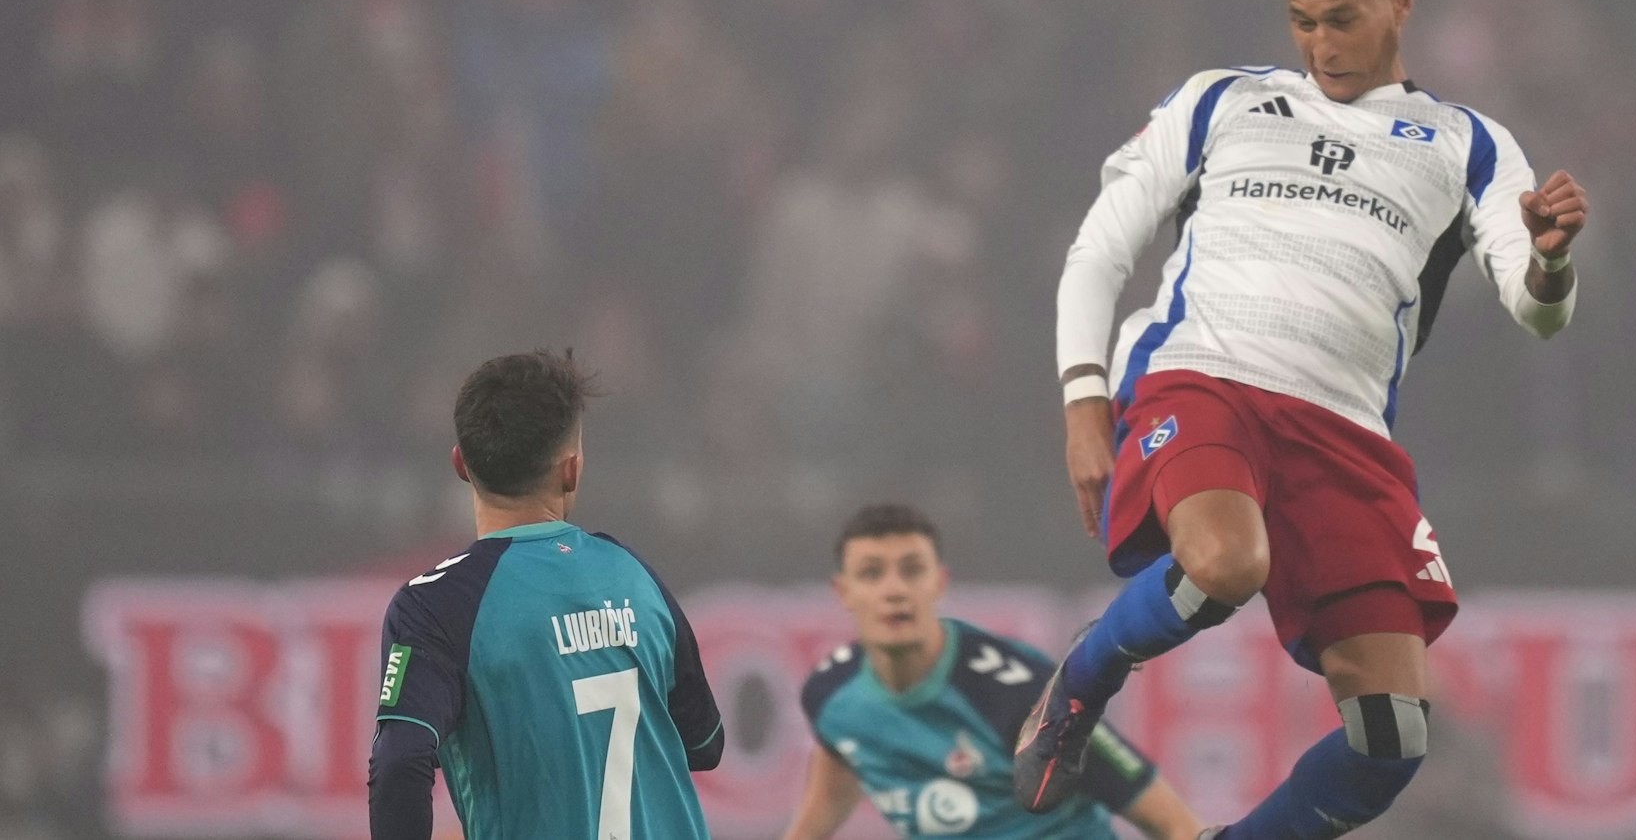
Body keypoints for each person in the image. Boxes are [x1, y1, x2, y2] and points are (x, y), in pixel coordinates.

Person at [1015, 0, 1589, 838]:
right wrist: (1083, 396)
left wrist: (1552, 259)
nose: (1321, 44)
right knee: (1224, 564)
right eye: (1303, 21)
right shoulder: (1221, 100)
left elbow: (1537, 312)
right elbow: (1100, 247)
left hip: (1345, 432)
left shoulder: (1466, 144)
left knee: (1391, 742)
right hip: (1201, 380)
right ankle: (1085, 677)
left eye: (1343, 19)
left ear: (1398, 2)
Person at [367, 350, 724, 839]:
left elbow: (400, 760)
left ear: (460, 464)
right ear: (571, 469)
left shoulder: (437, 605)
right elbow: (704, 743)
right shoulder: (632, 574)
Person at [785, 504, 1204, 840]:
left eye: (912, 570)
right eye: (872, 573)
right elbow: (835, 777)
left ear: (939, 582)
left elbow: (1173, 822)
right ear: (843, 591)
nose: (894, 590)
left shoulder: (1023, 694)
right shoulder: (831, 695)